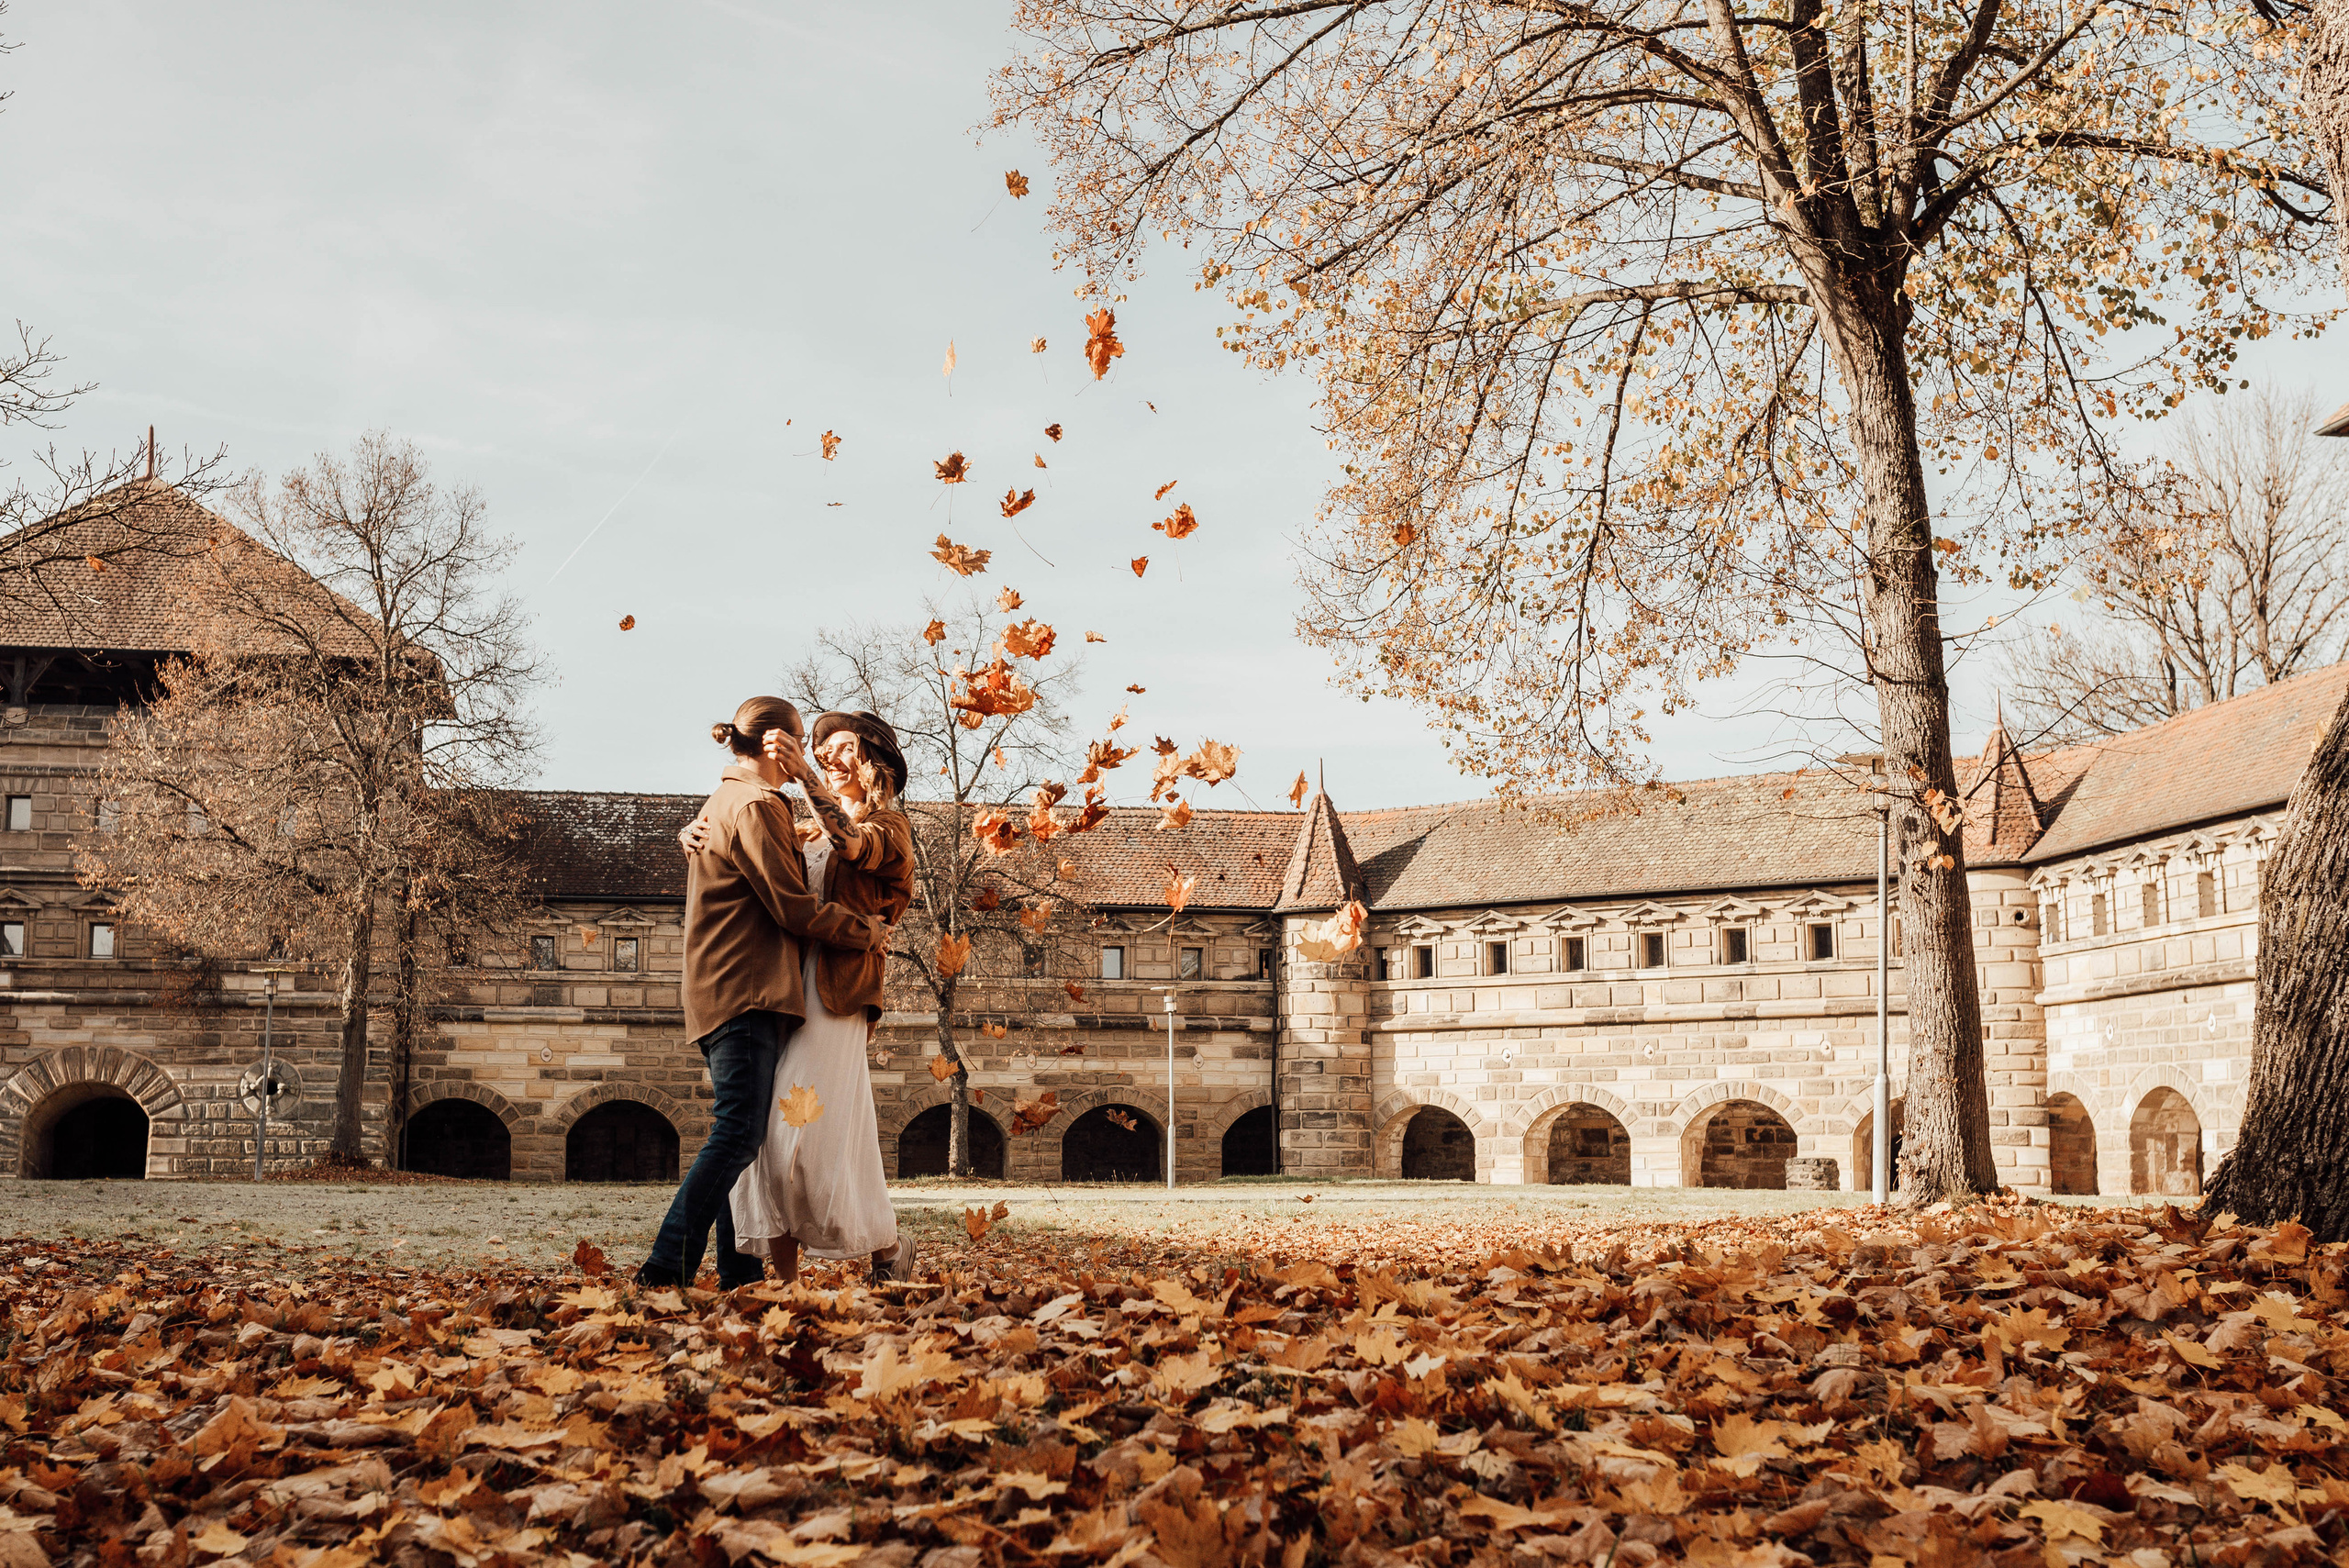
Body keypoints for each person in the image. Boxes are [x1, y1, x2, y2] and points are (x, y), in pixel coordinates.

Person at [635, 697, 888, 1293]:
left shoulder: (727, 800)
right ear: (780, 742)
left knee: (742, 1137)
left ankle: (740, 1270)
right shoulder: (754, 803)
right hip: (744, 989)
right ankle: (664, 1265)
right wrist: (865, 931)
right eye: (802, 742)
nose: (810, 756)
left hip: (724, 989)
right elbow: (793, 906)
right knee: (739, 1133)